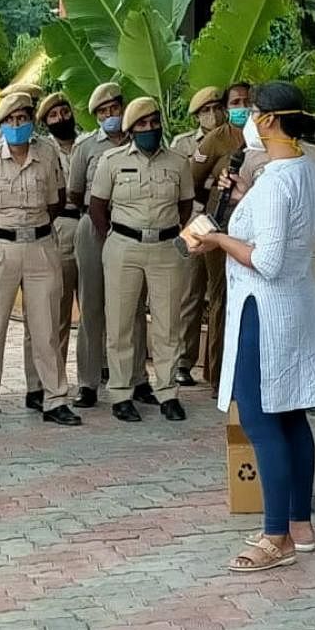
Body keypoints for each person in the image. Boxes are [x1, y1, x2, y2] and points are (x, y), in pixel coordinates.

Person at [190, 82, 315, 572]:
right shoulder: (303, 170)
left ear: (269, 120)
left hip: (263, 306)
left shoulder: (277, 180)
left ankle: (276, 536)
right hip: (292, 305)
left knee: (259, 416)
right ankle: (299, 522)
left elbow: (266, 260)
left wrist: (218, 238)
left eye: (252, 111)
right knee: (290, 412)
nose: (246, 118)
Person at [0, 92, 82, 431]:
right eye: (10, 121)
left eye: (23, 118)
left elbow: (57, 200)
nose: (17, 125)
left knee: (47, 326)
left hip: (41, 244)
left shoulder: (46, 153)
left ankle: (54, 398)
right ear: (1, 125)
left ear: (32, 120)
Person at [90, 97, 194, 422]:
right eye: (142, 124)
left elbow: (186, 205)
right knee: (120, 323)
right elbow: (97, 206)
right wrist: (114, 235)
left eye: (153, 122)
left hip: (165, 248)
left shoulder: (178, 162)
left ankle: (167, 393)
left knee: (167, 324)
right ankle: (122, 393)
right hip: (124, 246)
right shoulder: (111, 161)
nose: (149, 129)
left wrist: (167, 228)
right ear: (131, 129)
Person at [67, 82, 151, 409]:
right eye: (103, 112)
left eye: (114, 109)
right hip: (95, 228)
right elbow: (75, 192)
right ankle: (87, 382)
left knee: (133, 306)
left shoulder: (142, 140)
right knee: (91, 305)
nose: (110, 116)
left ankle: (137, 378)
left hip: (133, 230)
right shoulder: (86, 147)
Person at [20, 92, 81, 410]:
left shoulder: (88, 144)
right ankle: (38, 384)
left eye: (64, 111)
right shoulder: (41, 151)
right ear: (45, 123)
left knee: (93, 312)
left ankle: (88, 382)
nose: (61, 118)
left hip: (91, 227)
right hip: (56, 227)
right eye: (53, 116)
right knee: (48, 313)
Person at [193, 82, 253, 395]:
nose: (241, 106)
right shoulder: (217, 139)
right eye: (236, 102)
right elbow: (192, 181)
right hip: (221, 226)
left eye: (246, 101)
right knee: (221, 297)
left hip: (253, 230)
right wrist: (218, 192)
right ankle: (217, 375)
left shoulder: (261, 134)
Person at [169, 86, 226, 387]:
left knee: (218, 295)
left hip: (224, 226)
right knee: (190, 293)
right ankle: (183, 361)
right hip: (195, 223)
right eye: (206, 110)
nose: (213, 114)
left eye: (217, 108)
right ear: (197, 116)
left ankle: (216, 367)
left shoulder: (235, 138)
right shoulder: (183, 144)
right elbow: (180, 186)